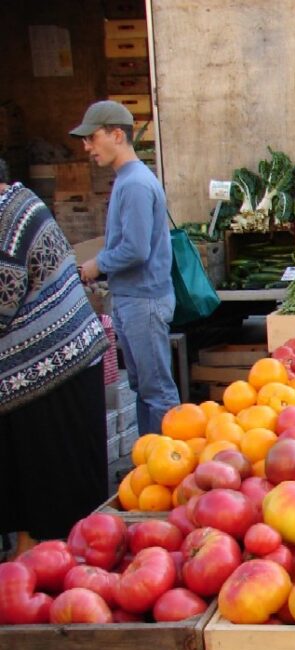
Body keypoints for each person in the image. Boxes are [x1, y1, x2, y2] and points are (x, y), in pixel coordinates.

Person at [0, 157, 110, 554]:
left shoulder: (7, 222)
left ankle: (52, 556)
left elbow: (2, 301)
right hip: (63, 361)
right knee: (57, 482)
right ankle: (52, 552)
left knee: (50, 479)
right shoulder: (23, 200)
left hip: (49, 369)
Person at [74, 100, 181, 436]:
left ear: (117, 134)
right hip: (134, 298)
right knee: (144, 387)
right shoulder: (127, 179)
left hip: (143, 301)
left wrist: (96, 265)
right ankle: (148, 462)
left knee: (157, 390)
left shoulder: (134, 183)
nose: (87, 146)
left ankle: (170, 463)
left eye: (92, 137)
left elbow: (135, 249)